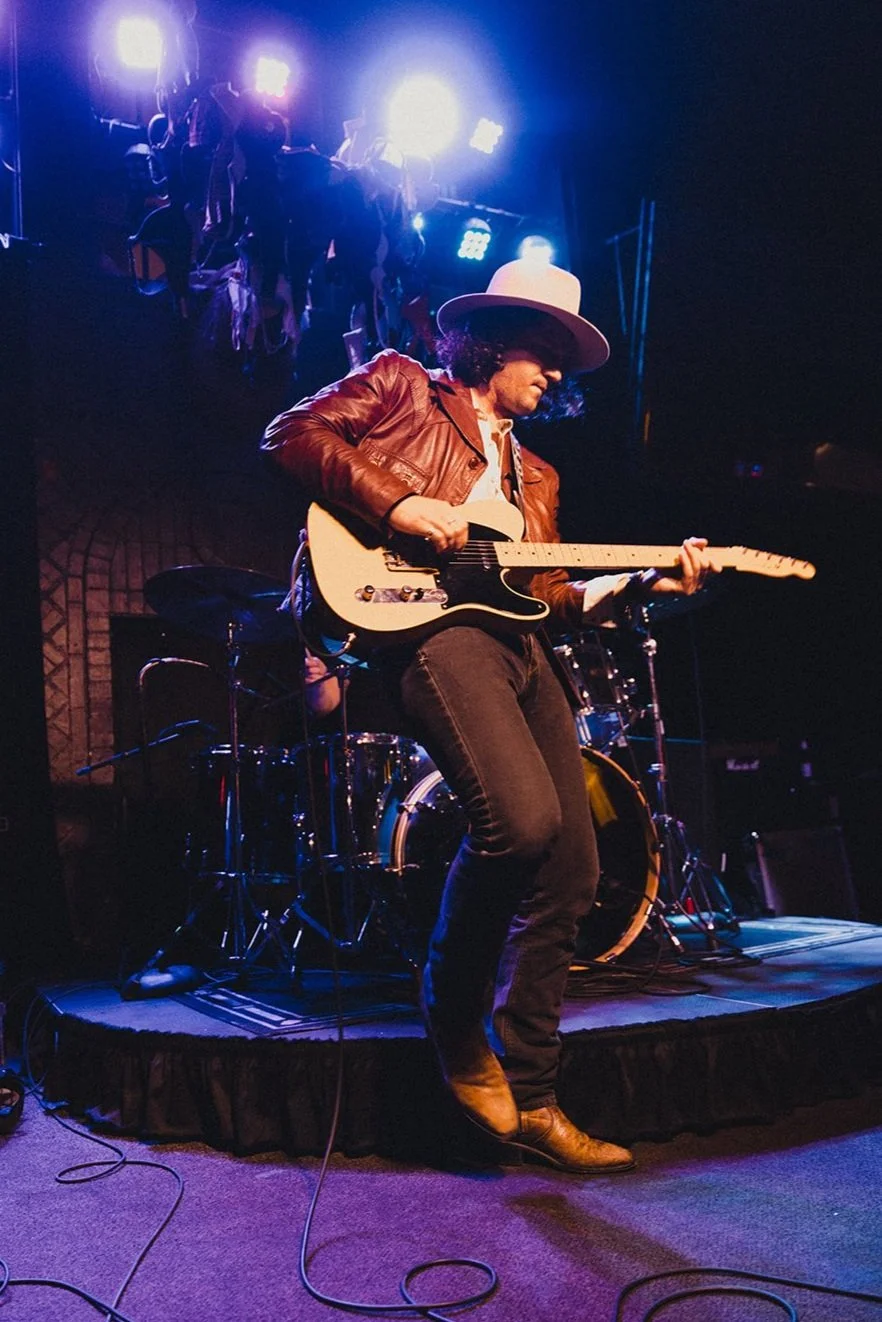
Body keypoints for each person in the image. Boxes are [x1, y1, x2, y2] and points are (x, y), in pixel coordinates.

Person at [262, 259, 718, 1173]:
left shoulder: (538, 475)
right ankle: (453, 1012)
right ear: (492, 341)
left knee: (576, 864)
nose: (555, 375)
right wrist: (399, 500)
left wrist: (639, 583)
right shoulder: (401, 386)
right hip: (430, 633)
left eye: (562, 362)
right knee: (518, 822)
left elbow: (545, 595)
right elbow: (291, 434)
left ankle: (539, 1096)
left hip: (520, 649)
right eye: (544, 354)